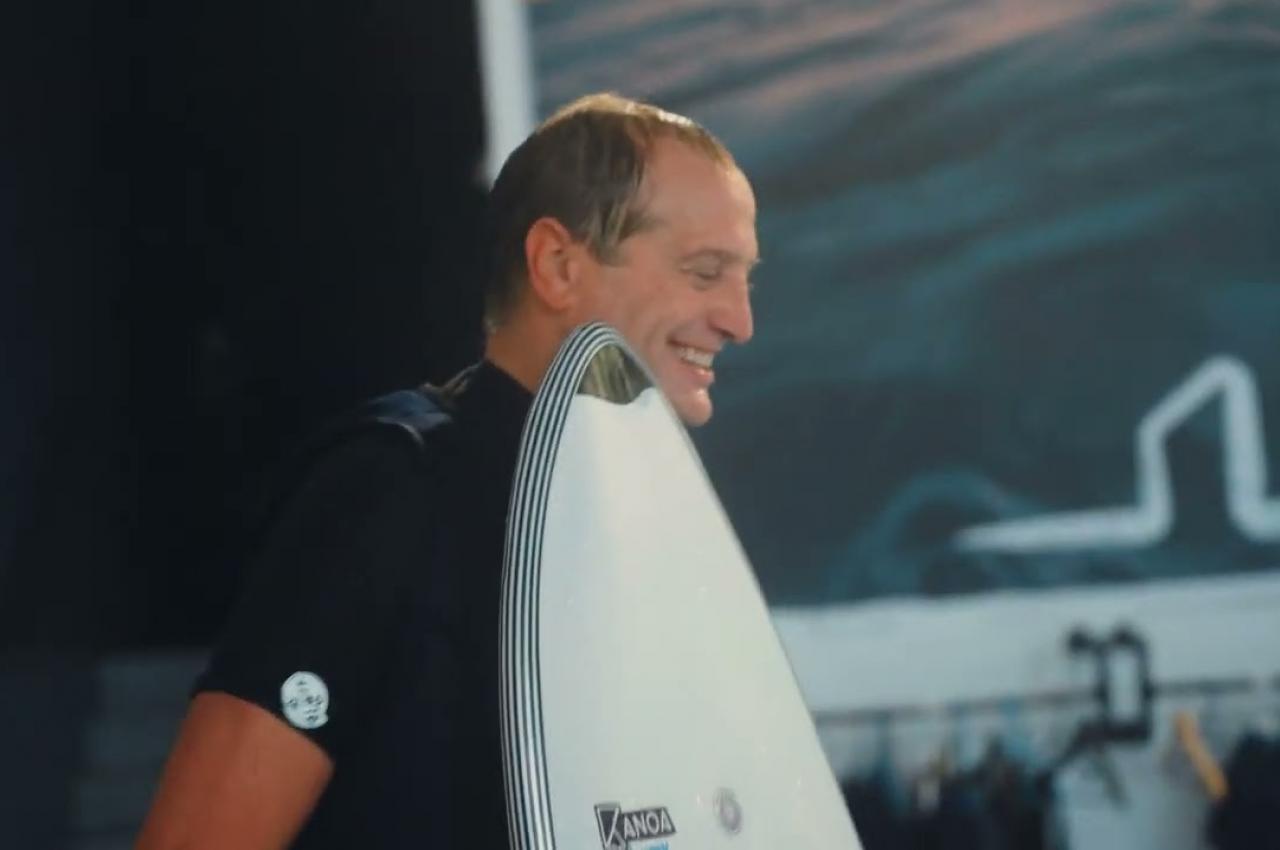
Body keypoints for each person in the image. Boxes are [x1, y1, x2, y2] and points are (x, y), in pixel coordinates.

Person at [136, 91, 758, 850]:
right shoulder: (391, 490)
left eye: (745, 279)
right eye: (704, 272)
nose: (740, 321)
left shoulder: (640, 534)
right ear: (558, 266)